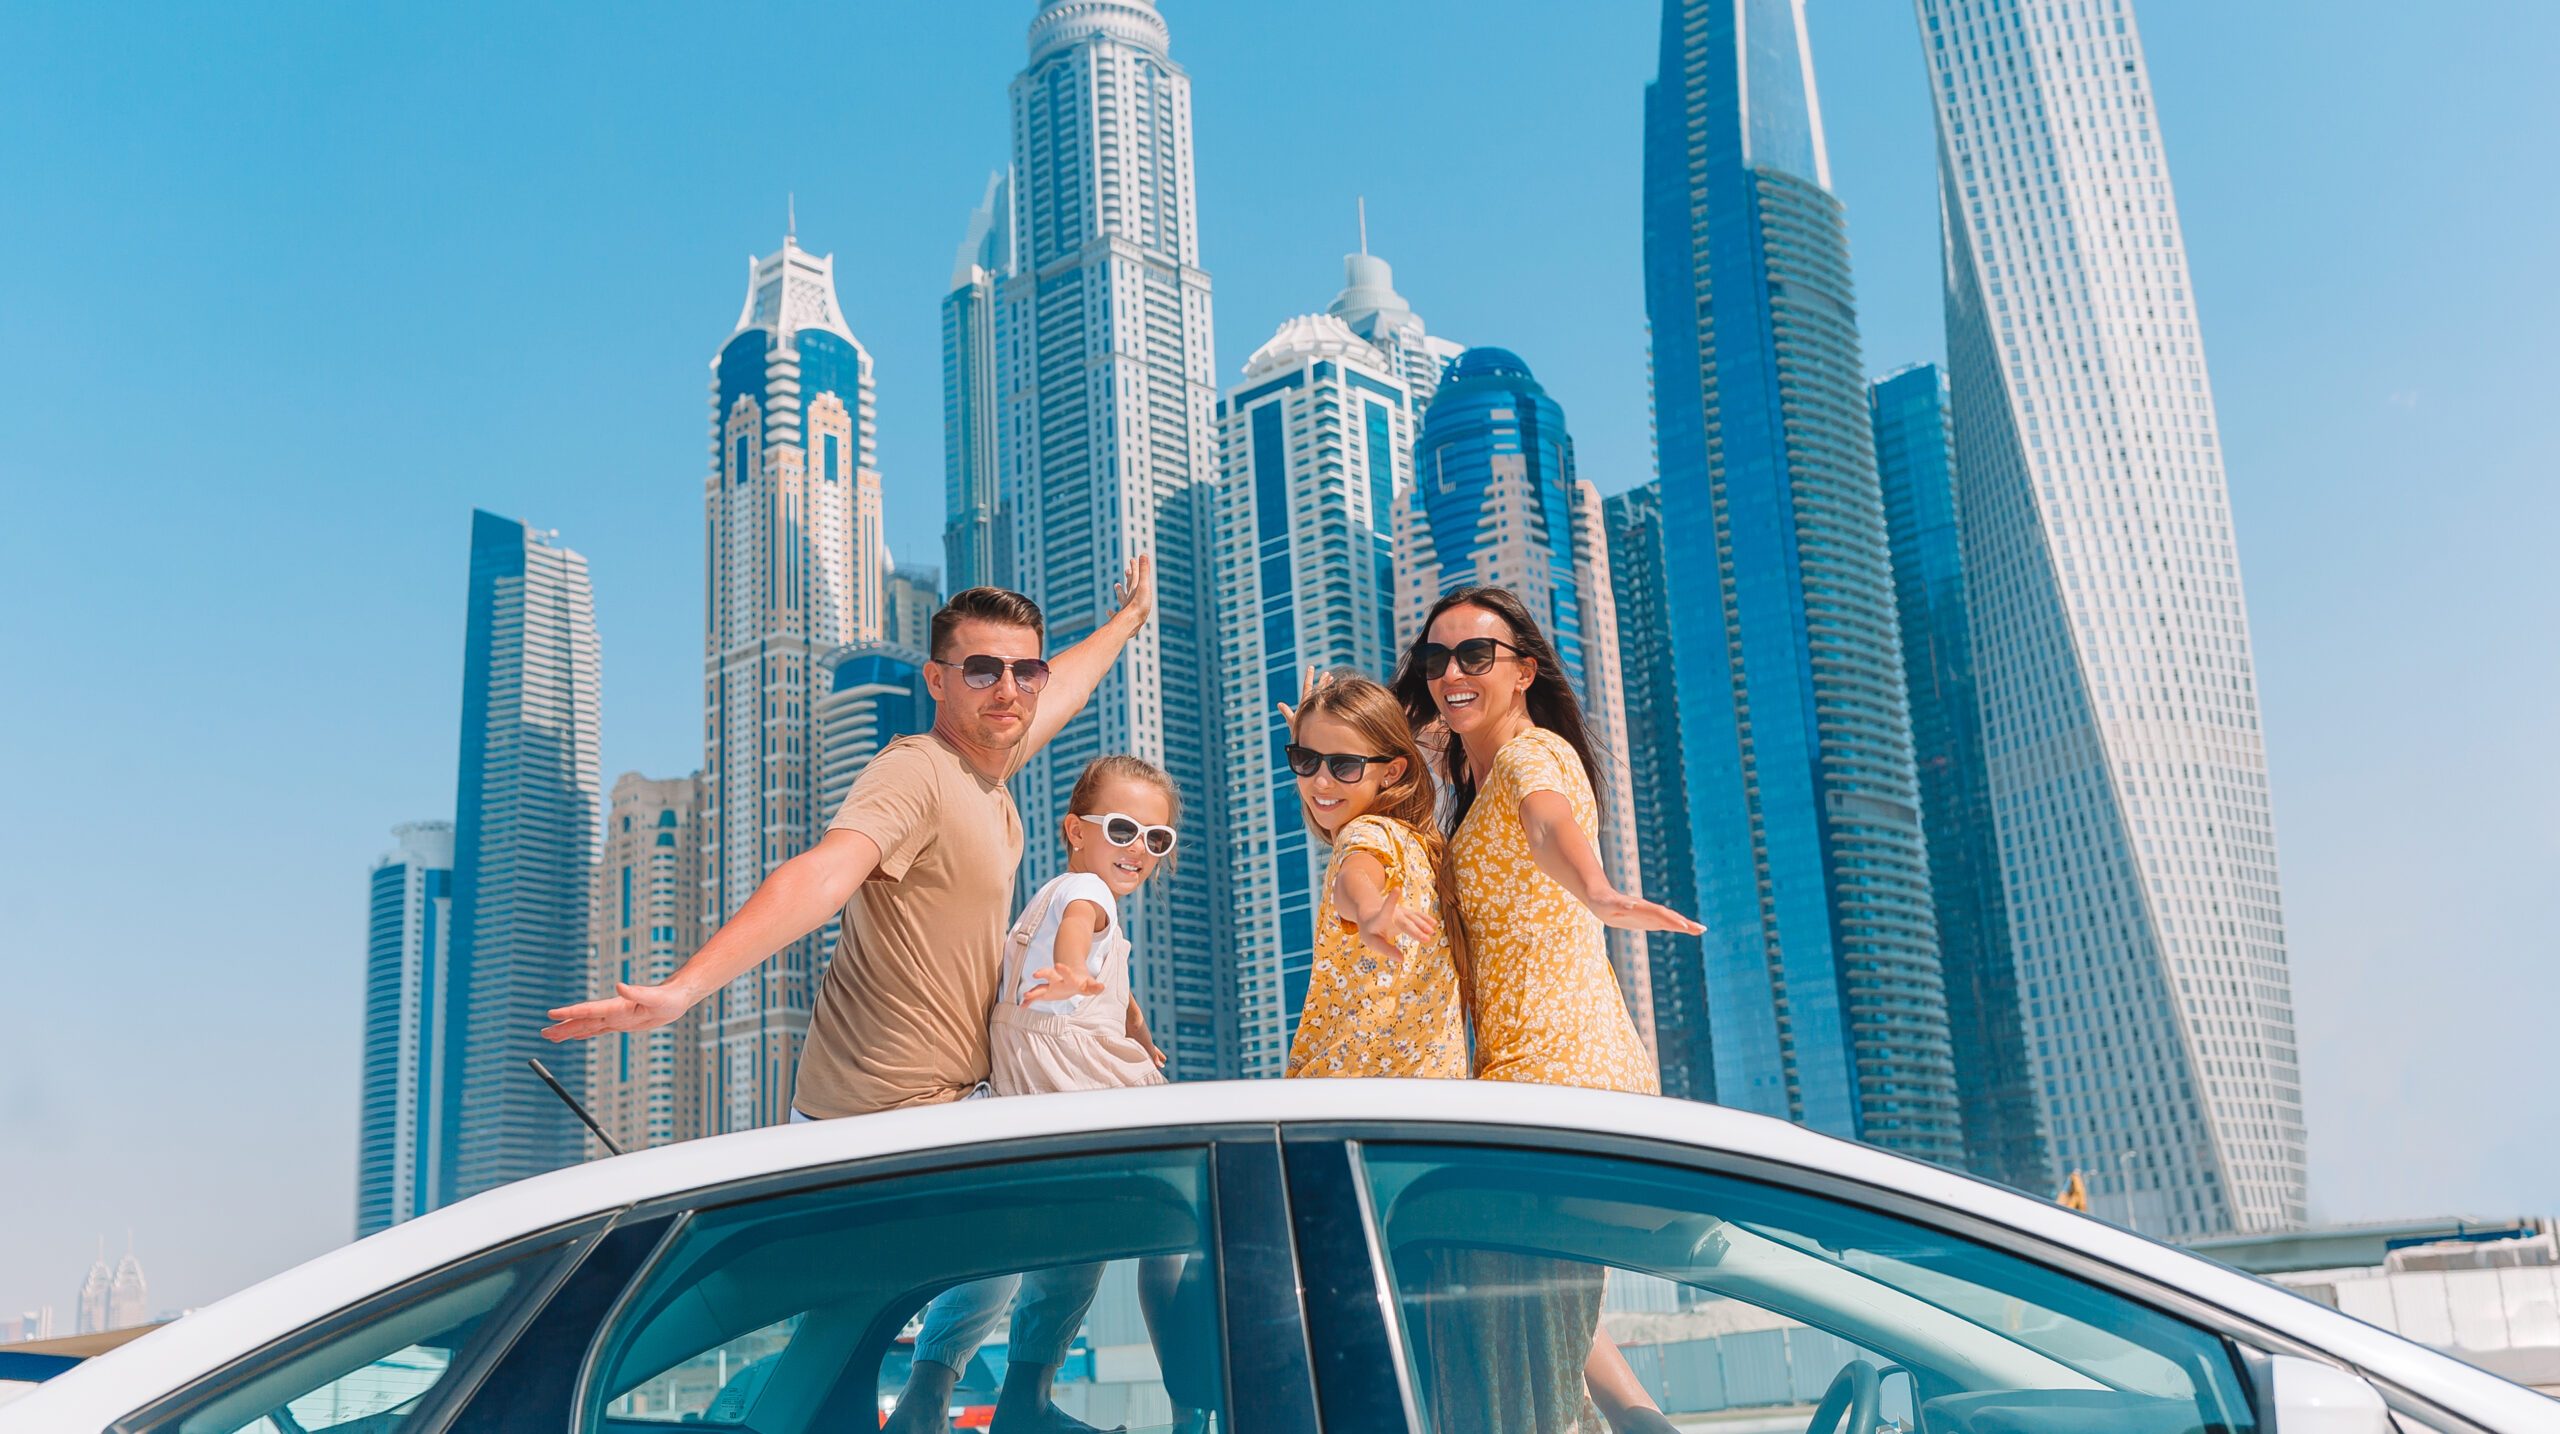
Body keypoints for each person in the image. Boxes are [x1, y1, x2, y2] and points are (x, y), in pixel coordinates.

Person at [541, 560, 1155, 1434]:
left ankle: (932, 1407)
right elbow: (825, 874)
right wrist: (682, 991)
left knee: (964, 1277)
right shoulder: (918, 772)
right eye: (983, 669)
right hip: (884, 1115)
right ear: (937, 680)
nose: (1009, 689)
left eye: (1026, 670)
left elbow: (1067, 689)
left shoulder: (988, 772)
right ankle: (1000, 1403)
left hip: (943, 1105)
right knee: (1079, 1207)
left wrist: (1126, 621)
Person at [1391, 584, 1704, 1434]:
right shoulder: (1472, 778)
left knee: (1509, 1311)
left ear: (1525, 671)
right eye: (1436, 658)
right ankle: (1642, 1423)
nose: (1452, 672)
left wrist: (1597, 888)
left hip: (1563, 1075)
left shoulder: (1534, 757)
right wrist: (1333, 736)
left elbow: (1546, 822)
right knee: (1529, 1307)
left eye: (1476, 655)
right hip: (1522, 1079)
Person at [910, 754, 1183, 1434]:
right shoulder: (1084, 894)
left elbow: (1107, 981)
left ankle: (936, 1394)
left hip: (1025, 1096)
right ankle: (1035, 1397)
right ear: (1075, 830)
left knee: (1013, 1255)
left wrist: (1134, 1024)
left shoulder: (1062, 896)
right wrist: (1068, 970)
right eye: (1121, 829)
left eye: (1156, 838)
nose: (1138, 849)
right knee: (1156, 1218)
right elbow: (1079, 931)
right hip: (1073, 1091)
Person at [1275, 670, 1467, 1080]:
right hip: (1425, 1092)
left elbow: (1357, 872)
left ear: (1391, 772)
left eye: (1344, 766)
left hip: (1350, 1091)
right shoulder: (1424, 847)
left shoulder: (1365, 832)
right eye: (1304, 760)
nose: (1320, 780)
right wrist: (1315, 733)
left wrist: (1368, 909)